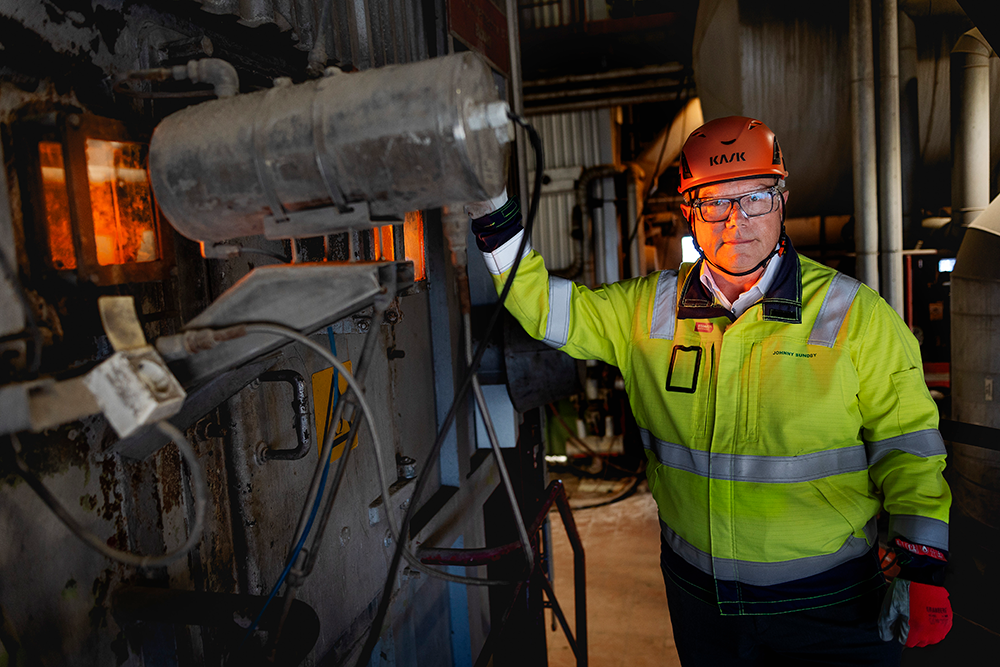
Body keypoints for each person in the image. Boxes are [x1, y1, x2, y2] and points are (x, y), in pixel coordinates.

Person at [468, 116, 952, 666]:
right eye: (715, 203)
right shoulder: (647, 310)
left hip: (831, 602)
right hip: (699, 600)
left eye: (755, 199)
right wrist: (489, 204)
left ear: (783, 198)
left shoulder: (856, 317)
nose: (736, 222)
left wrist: (921, 564)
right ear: (688, 211)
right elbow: (543, 309)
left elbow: (908, 446)